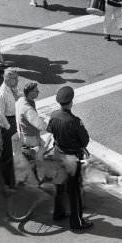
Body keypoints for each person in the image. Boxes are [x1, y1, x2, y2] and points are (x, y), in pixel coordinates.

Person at [47, 85, 92, 230]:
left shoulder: (53, 115)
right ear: (71, 102)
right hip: (71, 158)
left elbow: (50, 130)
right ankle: (76, 221)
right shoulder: (74, 120)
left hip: (57, 153)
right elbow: (85, 140)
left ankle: (58, 213)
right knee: (74, 191)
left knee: (59, 185)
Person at [0, 68, 20, 187]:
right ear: (7, 78)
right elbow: (0, 115)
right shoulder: (1, 94)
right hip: (7, 124)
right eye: (15, 78)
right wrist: (9, 127)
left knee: (14, 152)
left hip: (13, 121)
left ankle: (12, 178)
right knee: (8, 154)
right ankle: (7, 182)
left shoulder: (11, 88)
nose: (17, 80)